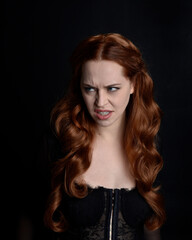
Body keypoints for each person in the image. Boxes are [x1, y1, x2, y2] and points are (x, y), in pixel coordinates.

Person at [44, 33, 166, 240]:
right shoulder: (60, 144)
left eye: (112, 89)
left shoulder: (148, 146)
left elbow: (152, 228)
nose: (100, 102)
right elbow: (27, 217)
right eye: (90, 89)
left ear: (134, 84)